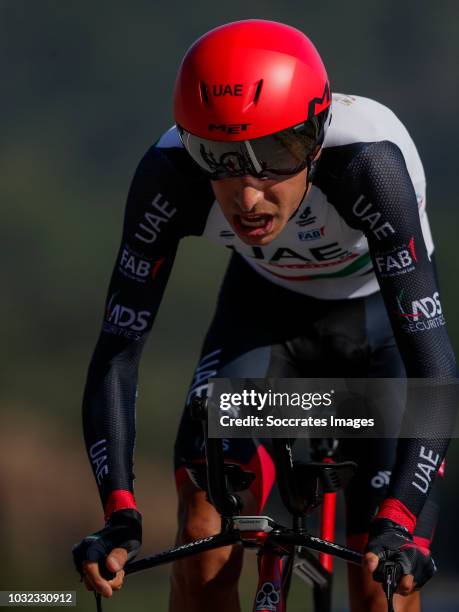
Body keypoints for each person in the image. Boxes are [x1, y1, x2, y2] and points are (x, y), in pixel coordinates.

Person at [73, 19, 456, 612]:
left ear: (316, 136)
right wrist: (118, 510)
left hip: (380, 331)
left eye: (277, 154)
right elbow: (117, 354)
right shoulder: (168, 175)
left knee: (384, 580)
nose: (247, 196)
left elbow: (436, 374)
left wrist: (402, 519)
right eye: (218, 157)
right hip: (265, 316)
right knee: (205, 538)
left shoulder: (369, 163)